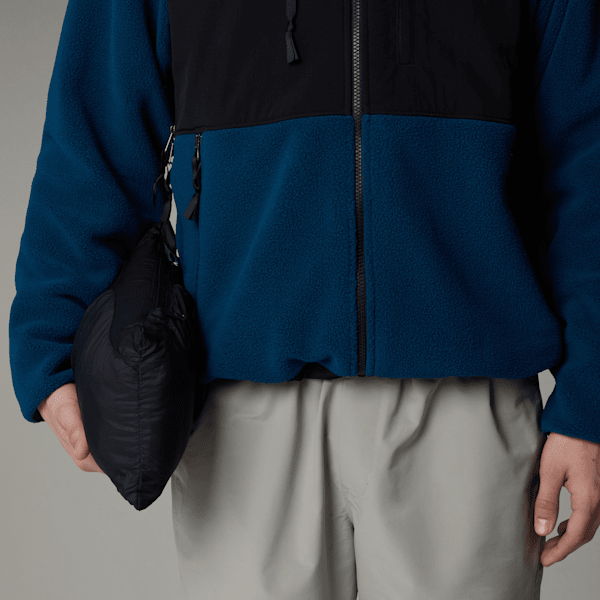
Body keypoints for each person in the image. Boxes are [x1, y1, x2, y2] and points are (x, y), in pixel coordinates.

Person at [9, 0, 600, 598]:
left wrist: (591, 398)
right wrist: (51, 333)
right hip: (241, 401)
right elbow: (95, 116)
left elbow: (586, 150)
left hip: (470, 398)